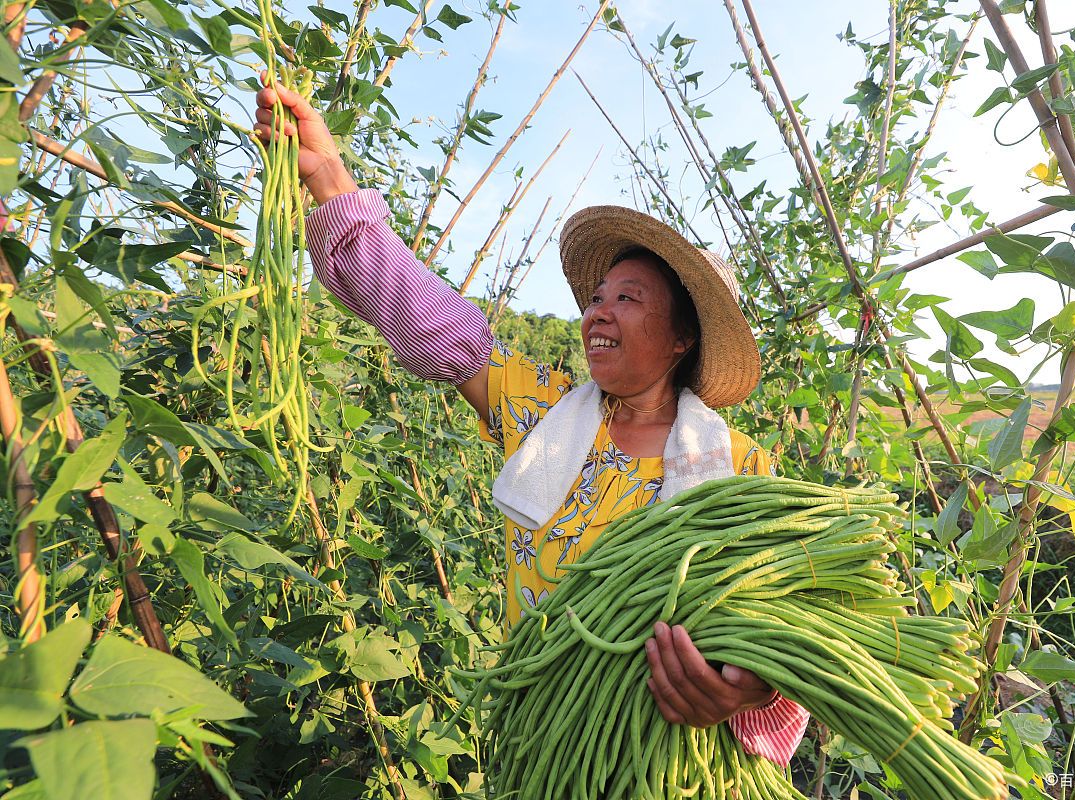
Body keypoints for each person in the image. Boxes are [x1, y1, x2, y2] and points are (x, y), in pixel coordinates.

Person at [254, 78, 810, 766]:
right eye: (597, 297)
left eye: (628, 299)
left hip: (673, 762)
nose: (597, 312)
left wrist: (749, 689)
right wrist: (328, 175)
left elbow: (787, 628)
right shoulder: (545, 413)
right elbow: (427, 316)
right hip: (543, 751)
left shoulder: (741, 470)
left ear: (681, 340)